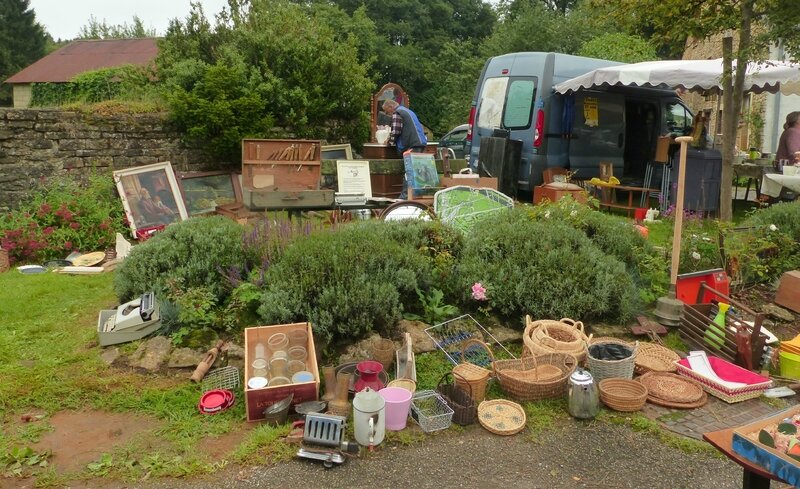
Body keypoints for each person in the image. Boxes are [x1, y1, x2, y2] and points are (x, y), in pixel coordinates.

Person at [383, 99, 429, 199]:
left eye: (387, 112)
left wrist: (389, 142)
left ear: (391, 107)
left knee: (409, 171)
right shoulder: (408, 111)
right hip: (420, 143)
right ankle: (418, 196)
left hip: (411, 144)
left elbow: (396, 131)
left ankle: (405, 197)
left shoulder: (397, 113)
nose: (387, 115)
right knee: (418, 172)